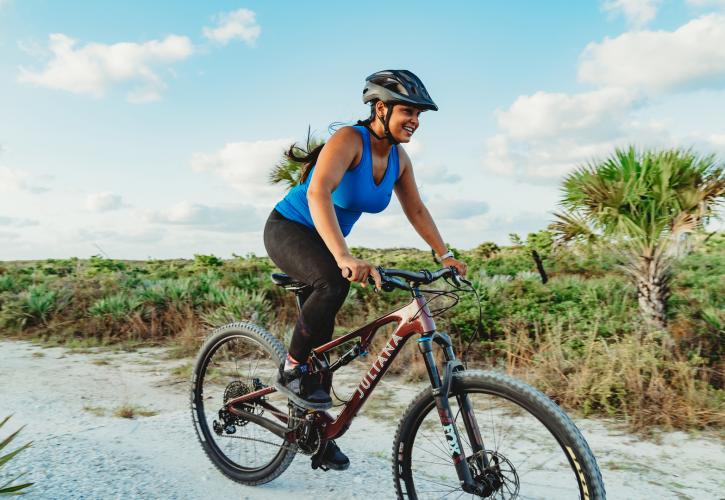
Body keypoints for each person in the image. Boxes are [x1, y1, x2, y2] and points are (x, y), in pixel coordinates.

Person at [263, 69, 467, 470]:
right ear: (380, 108)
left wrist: (444, 255)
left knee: (323, 347)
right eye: (408, 111)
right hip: (289, 229)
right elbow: (319, 192)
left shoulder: (398, 158)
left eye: (419, 114)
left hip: (326, 241)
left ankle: (314, 432)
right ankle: (289, 370)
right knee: (332, 285)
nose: (415, 120)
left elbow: (417, 209)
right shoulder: (347, 141)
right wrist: (343, 258)